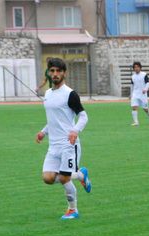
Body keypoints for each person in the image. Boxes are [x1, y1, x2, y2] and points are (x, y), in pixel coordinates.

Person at [35, 58, 92, 220]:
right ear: (49, 73)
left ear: (64, 73)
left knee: (64, 177)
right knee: (48, 178)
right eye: (52, 71)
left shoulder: (70, 94)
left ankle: (73, 210)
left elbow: (83, 116)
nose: (55, 74)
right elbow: (54, 119)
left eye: (58, 71)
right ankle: (81, 175)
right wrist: (43, 132)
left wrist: (75, 130)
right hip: (53, 146)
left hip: (68, 144)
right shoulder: (47, 94)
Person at [130, 62, 149, 126]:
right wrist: (131, 94)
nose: (136, 68)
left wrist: (145, 89)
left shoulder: (144, 74)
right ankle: (136, 122)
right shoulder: (133, 76)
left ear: (140, 67)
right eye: (135, 67)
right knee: (134, 107)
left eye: (137, 67)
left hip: (142, 94)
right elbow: (132, 86)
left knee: (145, 109)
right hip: (135, 94)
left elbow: (148, 83)